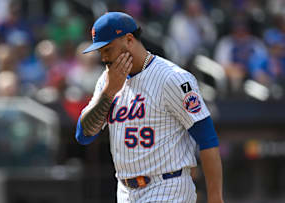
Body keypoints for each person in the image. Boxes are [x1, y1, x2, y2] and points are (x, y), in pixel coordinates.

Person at [75, 12, 223, 203]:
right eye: (100, 52)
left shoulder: (172, 78)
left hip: (167, 186)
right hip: (126, 191)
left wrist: (215, 198)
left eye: (107, 50)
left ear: (129, 40)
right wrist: (109, 92)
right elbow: (84, 135)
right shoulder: (106, 80)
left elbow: (207, 139)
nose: (103, 58)